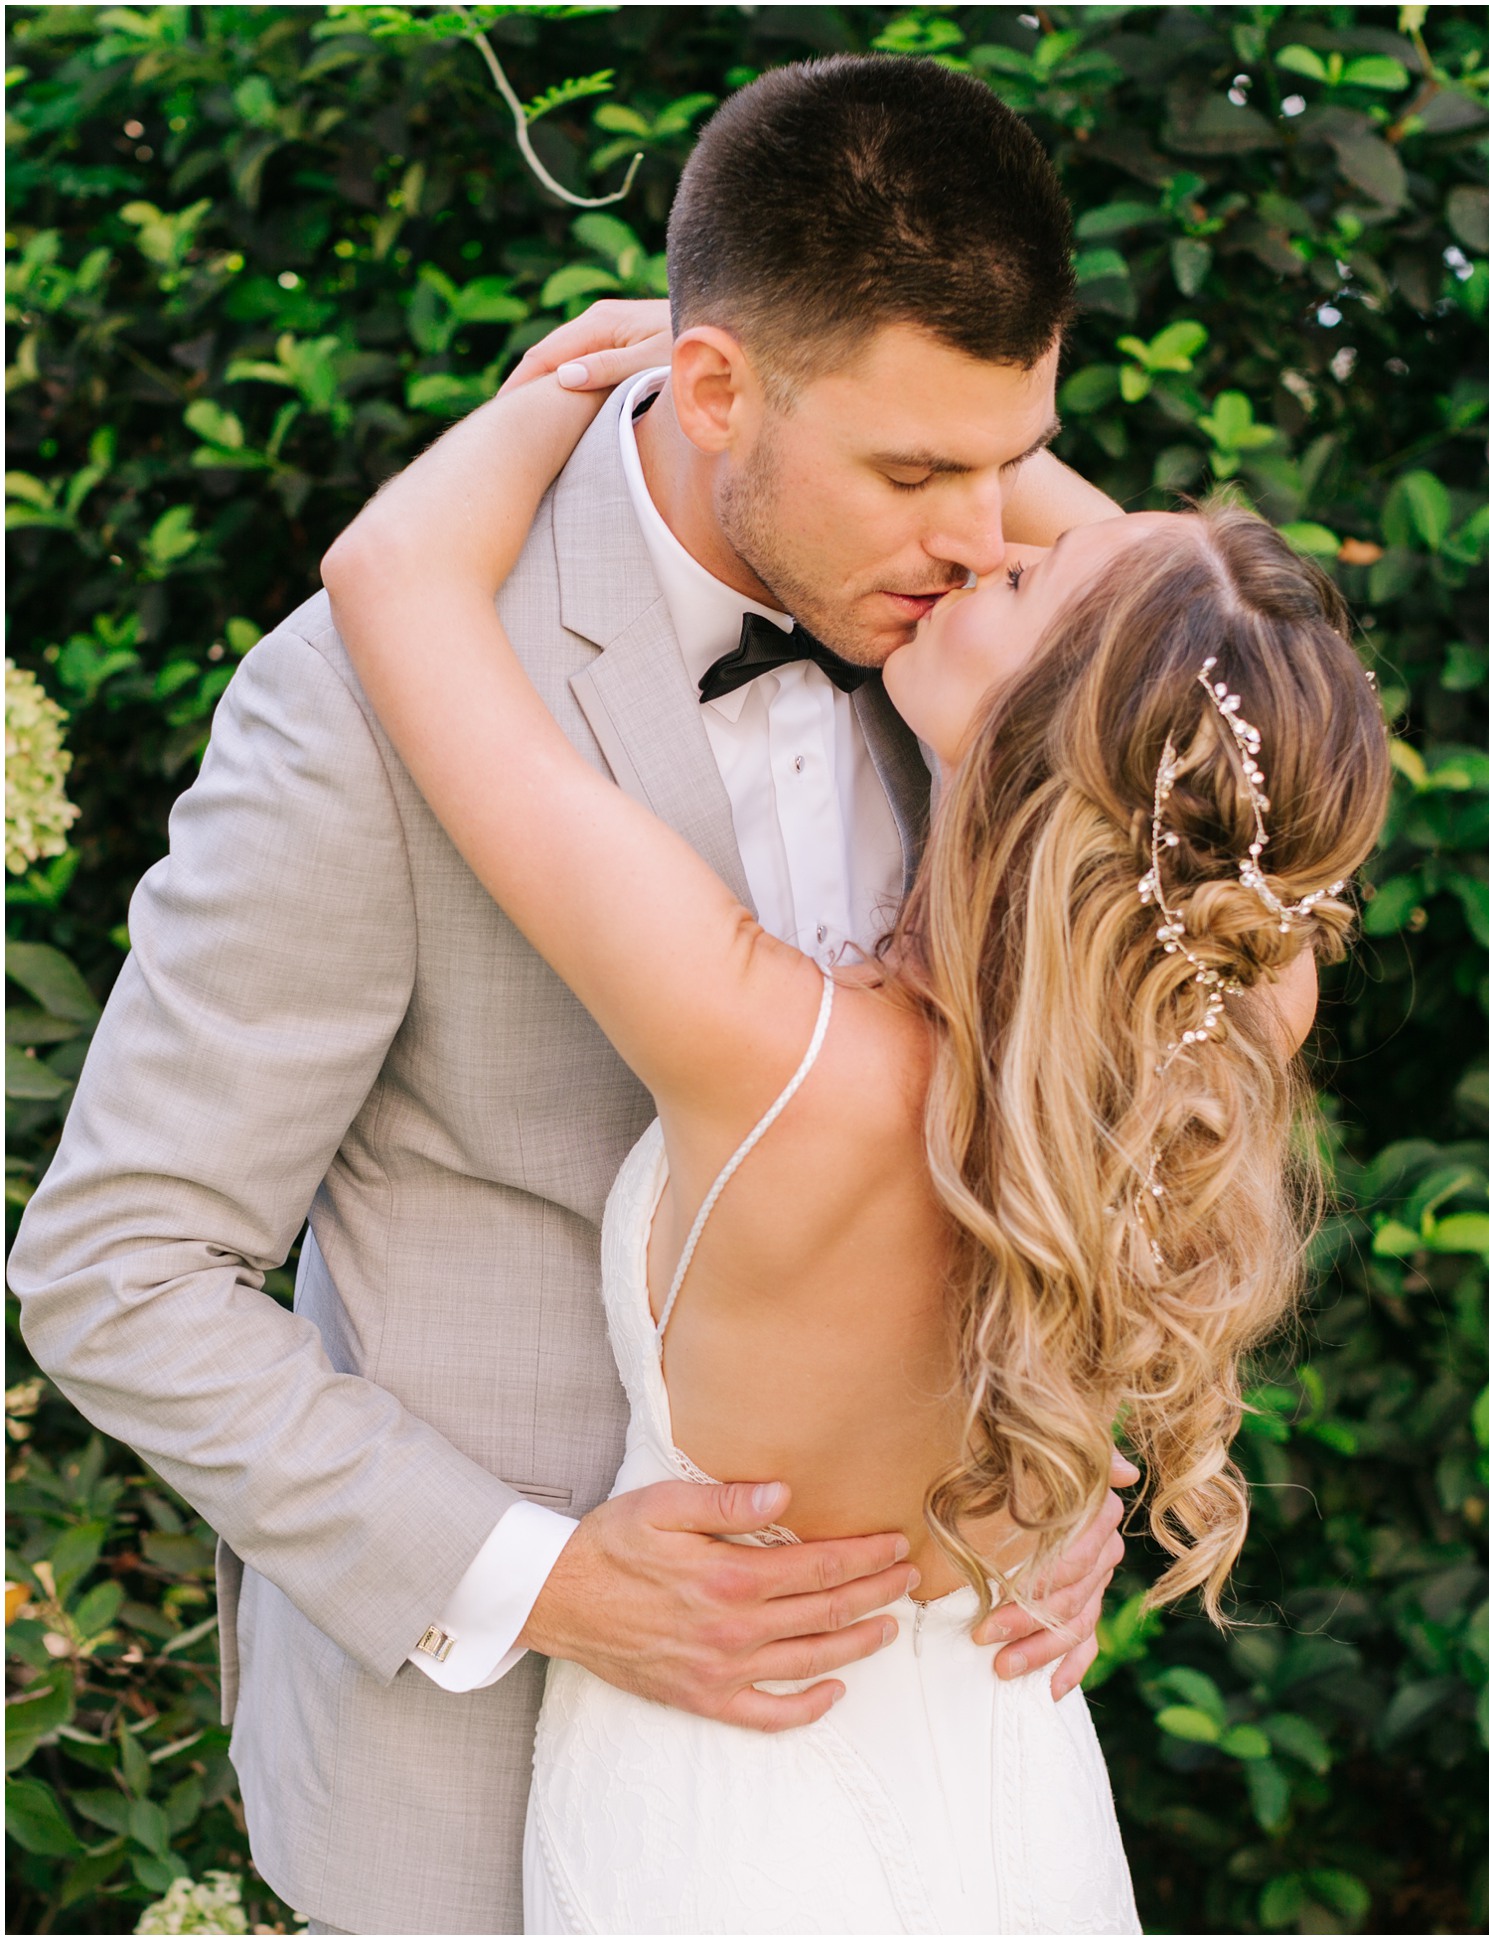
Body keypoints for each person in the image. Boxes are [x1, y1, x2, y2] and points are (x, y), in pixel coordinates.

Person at [9, 57, 1136, 1936]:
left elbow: (1089, 1109)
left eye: (1015, 459)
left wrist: (1061, 1456)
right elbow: (116, 1264)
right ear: (711, 389)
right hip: (499, 1790)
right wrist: (541, 1579)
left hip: (951, 1746)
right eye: (916, 470)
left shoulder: (1018, 660)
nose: (982, 533)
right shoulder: (374, 701)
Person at [321, 313, 1390, 1934]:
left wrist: (615, 383)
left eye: (1019, 572)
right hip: (1006, 1792)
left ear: (1040, 739)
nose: (981, 541)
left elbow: (390, 576)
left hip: (714, 1821)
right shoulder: (1234, 1014)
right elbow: (1198, 685)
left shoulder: (778, 1054)